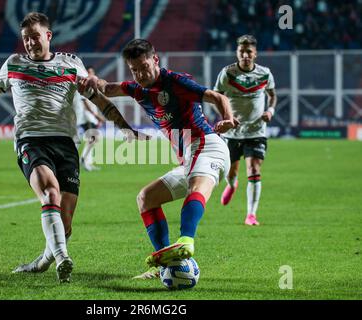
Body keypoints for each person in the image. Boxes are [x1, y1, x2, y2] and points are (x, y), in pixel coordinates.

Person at [0, 12, 144, 283]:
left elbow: (99, 100)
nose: (30, 43)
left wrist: (124, 127)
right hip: (31, 140)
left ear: (48, 36)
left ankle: (43, 261)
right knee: (50, 193)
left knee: (64, 224)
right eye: (25, 39)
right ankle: (63, 258)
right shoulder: (14, 64)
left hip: (66, 143)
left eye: (35, 37)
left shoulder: (71, 65)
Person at [83, 39, 238, 278]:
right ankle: (165, 264)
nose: (140, 74)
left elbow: (218, 97)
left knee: (197, 186)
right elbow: (107, 87)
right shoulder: (138, 89)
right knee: (146, 198)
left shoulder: (175, 82)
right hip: (189, 157)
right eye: (134, 70)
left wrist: (226, 118)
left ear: (155, 60)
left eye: (144, 66)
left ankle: (186, 241)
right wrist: (95, 81)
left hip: (207, 145)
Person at [214, 35, 277, 226]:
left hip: (256, 131)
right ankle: (232, 186)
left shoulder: (265, 74)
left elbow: (272, 95)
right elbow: (216, 96)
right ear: (237, 52)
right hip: (232, 133)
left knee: (254, 169)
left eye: (249, 51)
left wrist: (270, 110)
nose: (245, 54)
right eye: (242, 51)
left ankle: (251, 214)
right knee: (230, 172)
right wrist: (226, 117)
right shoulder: (228, 74)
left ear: (255, 53)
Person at [76, 66, 106, 171]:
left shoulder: (93, 86)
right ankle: (83, 160)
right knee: (94, 138)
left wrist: (97, 117)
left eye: (92, 72)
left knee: (91, 139)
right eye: (88, 72)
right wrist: (97, 117)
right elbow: (85, 105)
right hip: (86, 117)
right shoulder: (83, 85)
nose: (90, 74)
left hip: (91, 117)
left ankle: (87, 161)